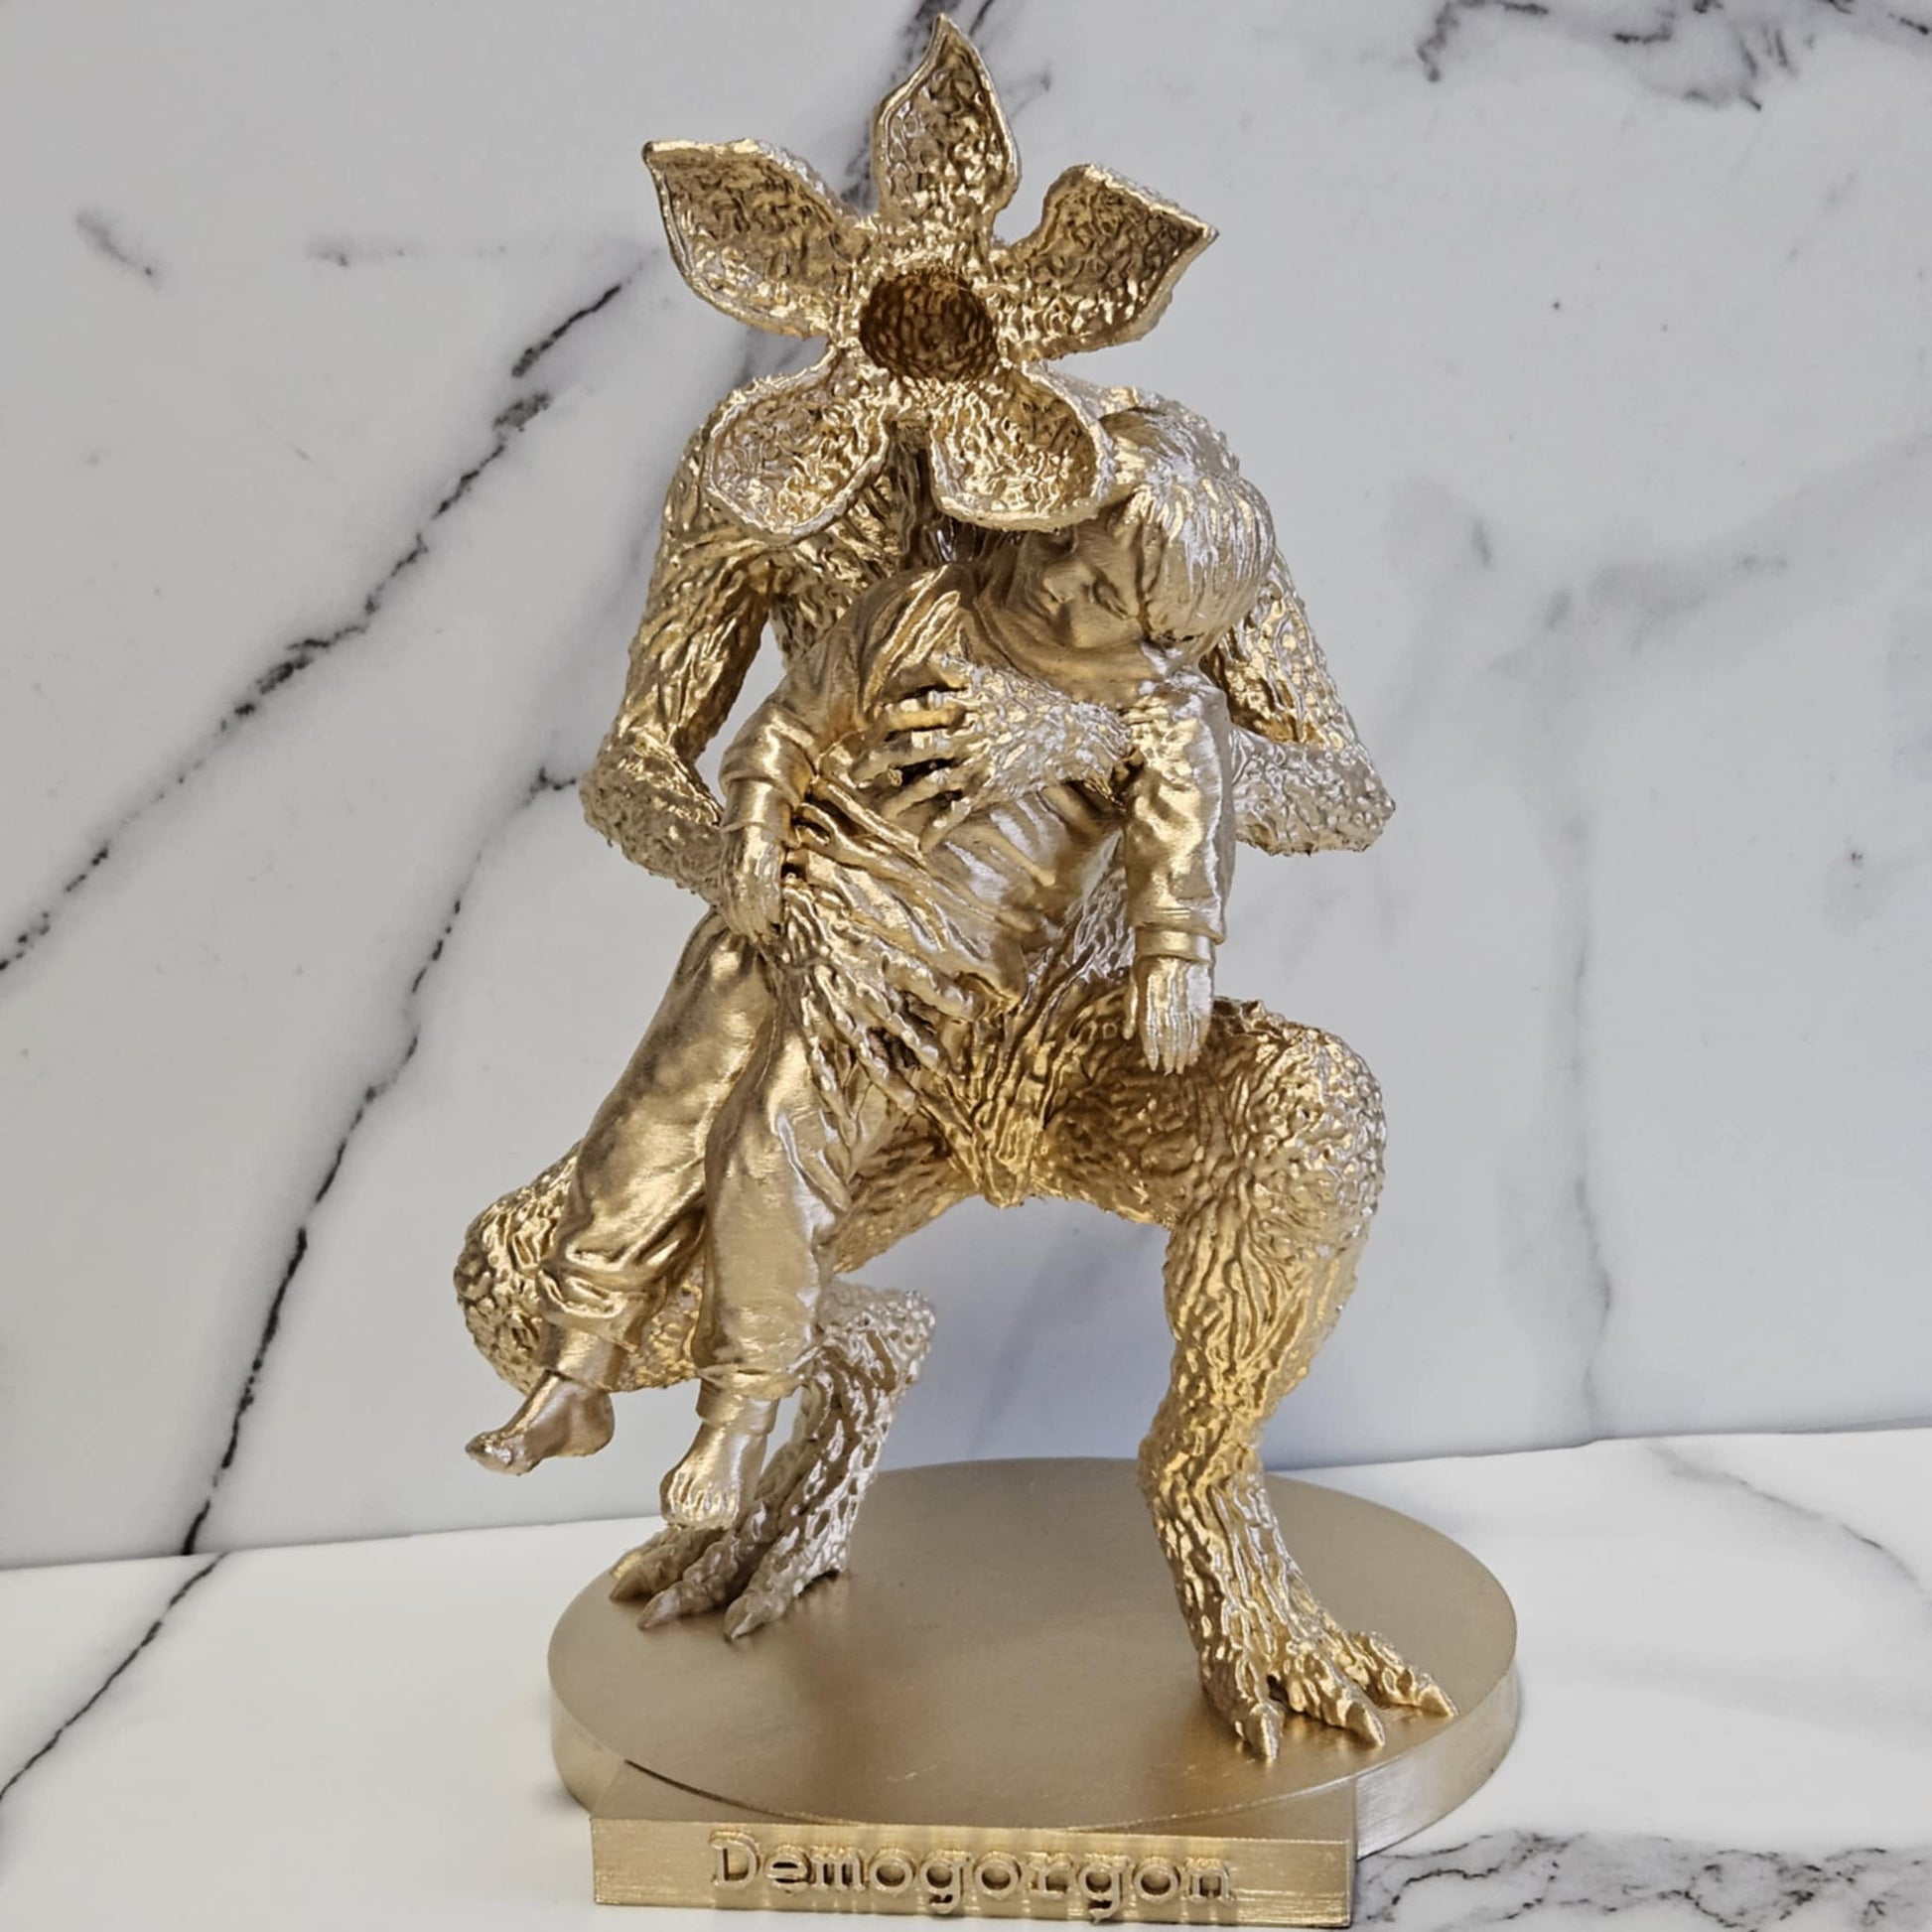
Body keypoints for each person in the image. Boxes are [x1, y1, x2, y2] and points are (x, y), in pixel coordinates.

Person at [467, 401, 1275, 1530]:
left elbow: (1185, 832)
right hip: (788, 909)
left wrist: (1175, 953)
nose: (1058, 587)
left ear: (1165, 623)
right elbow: (790, 726)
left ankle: (740, 1413)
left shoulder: (1160, 708)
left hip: (909, 976)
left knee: (770, 1143)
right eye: (1060, 546)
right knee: (654, 1112)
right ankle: (576, 1368)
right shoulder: (925, 607)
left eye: (1102, 594)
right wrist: (755, 827)